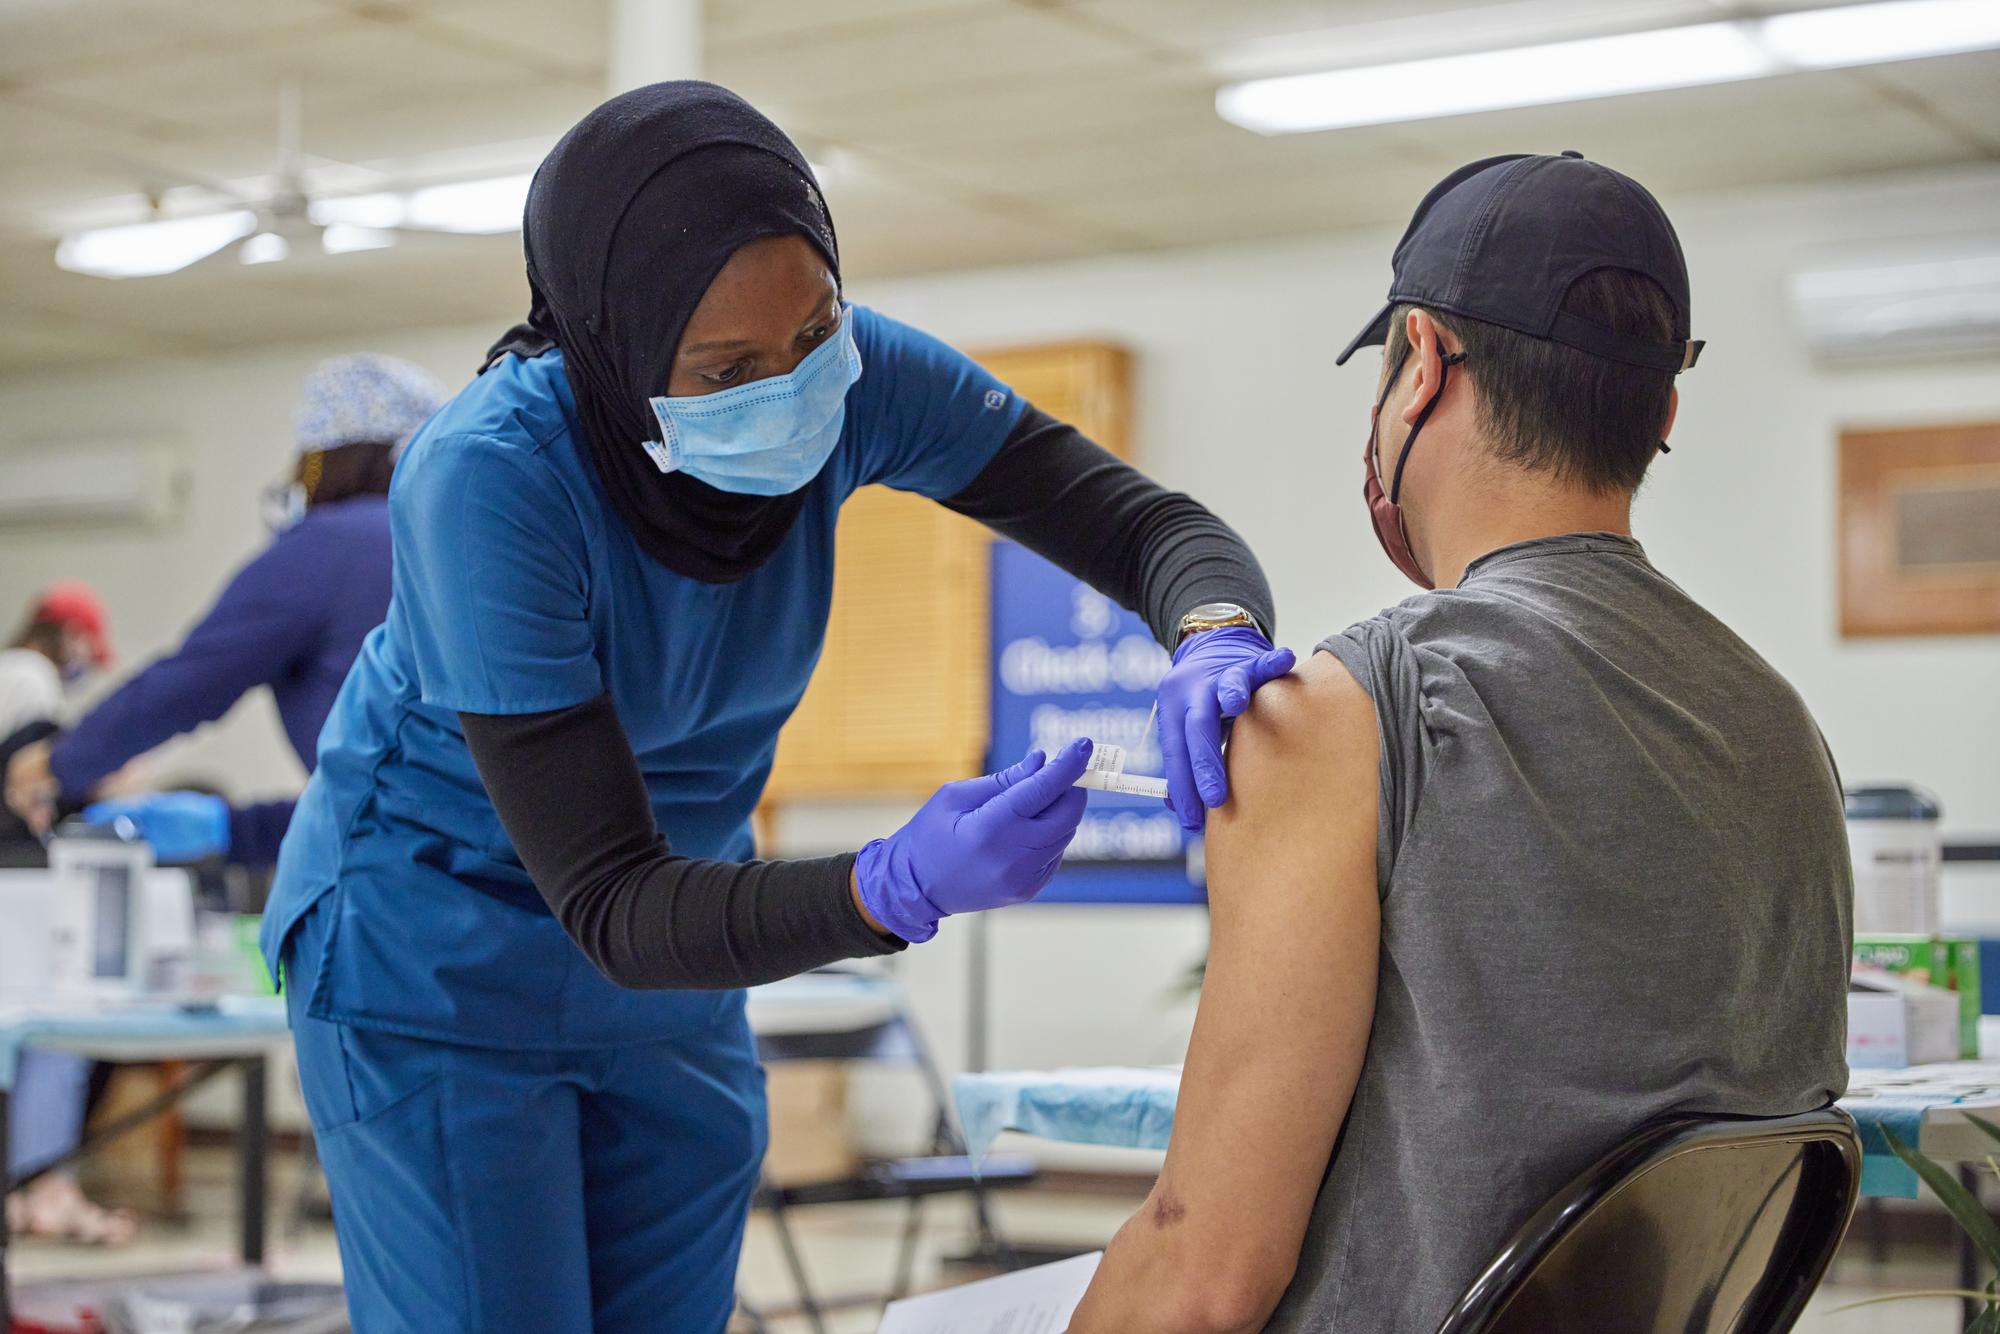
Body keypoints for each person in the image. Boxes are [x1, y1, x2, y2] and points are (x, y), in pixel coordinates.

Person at [259, 82, 1291, 1334]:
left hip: (680, 949)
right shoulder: (489, 480)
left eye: (812, 334)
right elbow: (612, 902)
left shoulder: (854, 379)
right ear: (615, 353)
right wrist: (890, 883)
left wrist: (1215, 631)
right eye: (726, 369)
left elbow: (1146, 526)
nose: (791, 387)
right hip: (434, 950)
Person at [1067, 153, 1852, 1333]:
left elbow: (1203, 1274)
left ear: (1420, 361)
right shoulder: (1783, 728)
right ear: (1662, 413)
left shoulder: (1344, 711)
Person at [3, 355, 443, 866]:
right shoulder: (453, 547)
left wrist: (58, 763)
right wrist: (232, 828)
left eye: (309, 461)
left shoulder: (329, 546)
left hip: (415, 899)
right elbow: (417, 806)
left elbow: (191, 683)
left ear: (330, 457)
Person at [0, 583, 136, 1246]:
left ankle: (31, 1191)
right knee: (55, 1032)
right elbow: (43, 781)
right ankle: (43, 1189)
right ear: (69, 637)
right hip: (18, 889)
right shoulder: (29, 679)